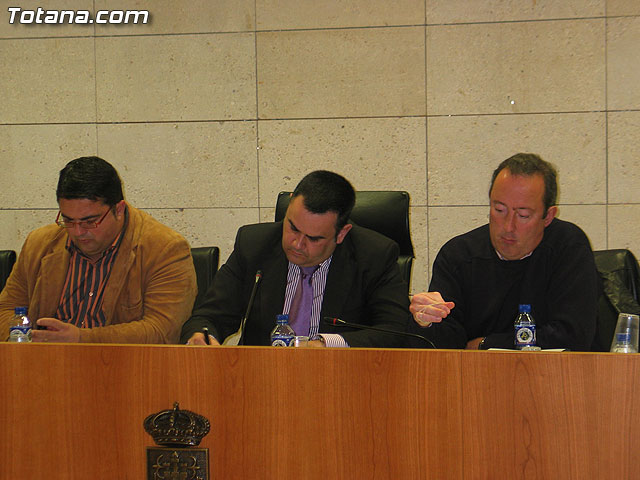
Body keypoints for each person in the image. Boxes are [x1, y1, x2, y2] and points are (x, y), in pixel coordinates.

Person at [181, 170, 410, 347]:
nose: (297, 244)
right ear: (290, 205)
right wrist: (202, 336)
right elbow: (209, 316)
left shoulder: (374, 255)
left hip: (339, 378)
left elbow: (395, 331)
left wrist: (327, 343)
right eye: (293, 227)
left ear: (341, 233)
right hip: (261, 376)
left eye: (313, 238)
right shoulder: (253, 245)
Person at [410, 153, 599, 350]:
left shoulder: (568, 247)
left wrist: (486, 345)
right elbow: (443, 344)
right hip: (474, 369)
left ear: (548, 216)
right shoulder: (459, 256)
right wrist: (426, 323)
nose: (508, 226)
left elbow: (573, 335)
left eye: (523, 215)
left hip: (554, 369)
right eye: (499, 210)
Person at [0, 156, 197, 343]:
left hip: (123, 364)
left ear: (118, 210)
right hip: (45, 361)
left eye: (90, 221)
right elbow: (6, 309)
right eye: (68, 220)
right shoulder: (39, 243)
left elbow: (162, 331)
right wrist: (26, 341)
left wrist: (82, 339)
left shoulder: (165, 249)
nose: (78, 232)